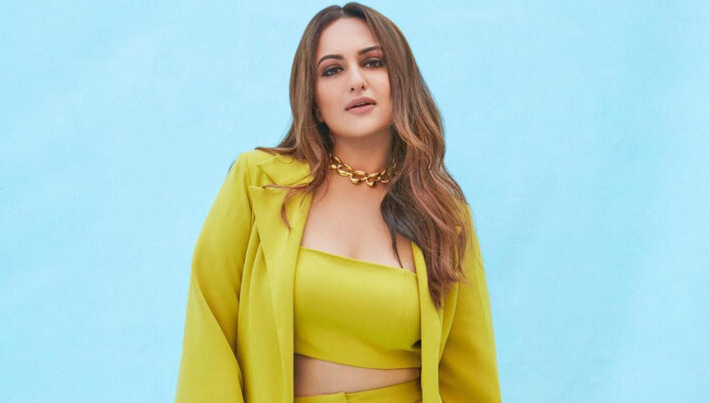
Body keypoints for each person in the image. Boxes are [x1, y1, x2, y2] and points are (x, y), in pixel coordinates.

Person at [175, 3, 502, 402]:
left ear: (400, 80)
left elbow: (468, 373)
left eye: (373, 62)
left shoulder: (443, 214)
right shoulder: (259, 182)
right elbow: (210, 325)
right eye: (332, 70)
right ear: (312, 98)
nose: (356, 81)